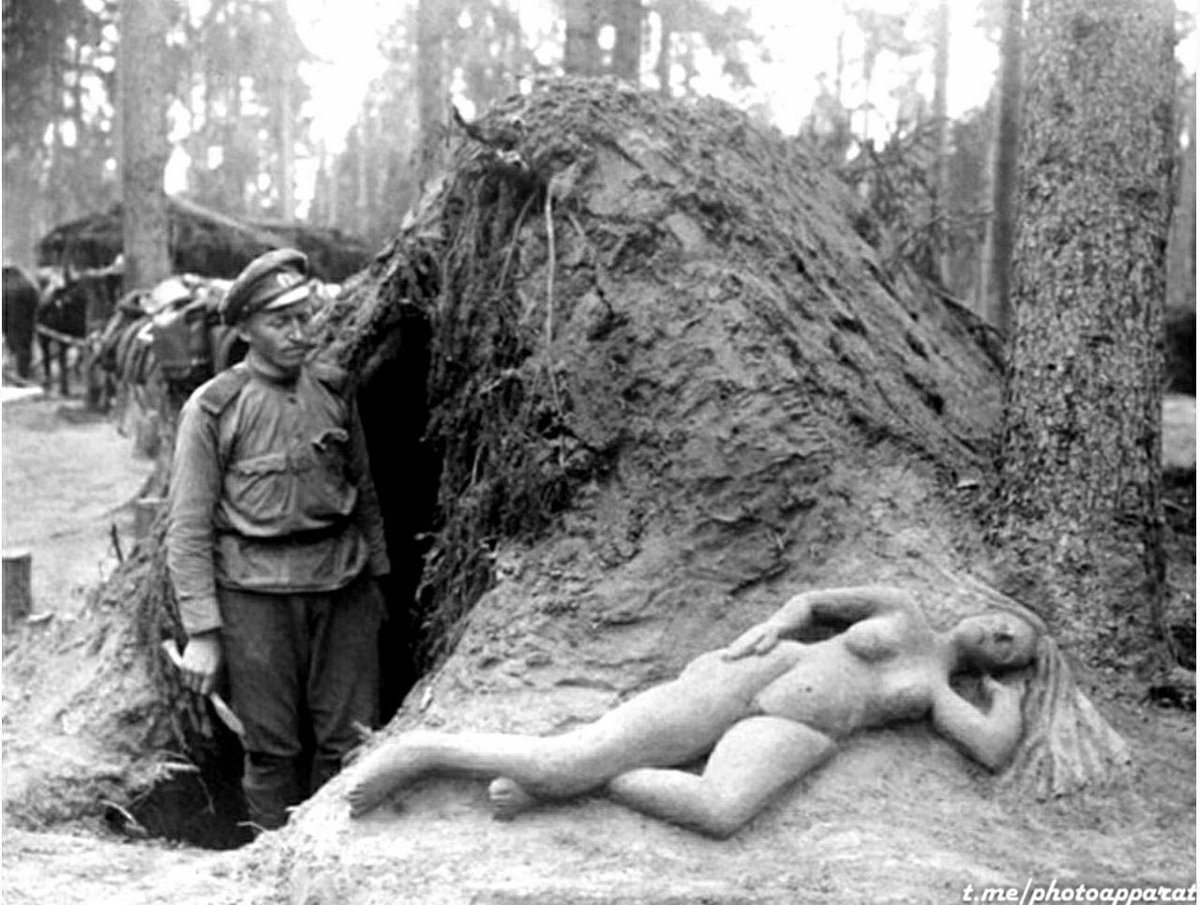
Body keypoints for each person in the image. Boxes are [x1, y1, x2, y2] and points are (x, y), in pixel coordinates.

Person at [344, 585, 1039, 838]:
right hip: (760, 671)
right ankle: (425, 750)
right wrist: (775, 624)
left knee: (720, 811)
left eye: (1012, 647)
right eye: (1005, 621)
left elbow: (992, 748)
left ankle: (576, 788)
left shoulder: (941, 692)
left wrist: (1005, 704)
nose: (1001, 634)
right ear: (984, 608)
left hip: (798, 730)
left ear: (1000, 665)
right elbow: (815, 602)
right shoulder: (903, 608)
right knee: (573, 756)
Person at [166, 248, 391, 832]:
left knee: (352, 744)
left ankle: (336, 858)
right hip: (255, 600)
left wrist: (377, 583)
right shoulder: (214, 408)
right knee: (271, 750)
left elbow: (364, 493)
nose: (298, 332)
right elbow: (188, 529)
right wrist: (203, 632)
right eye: (279, 321)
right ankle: (271, 859)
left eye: (303, 316)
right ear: (245, 329)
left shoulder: (334, 390)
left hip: (343, 589)